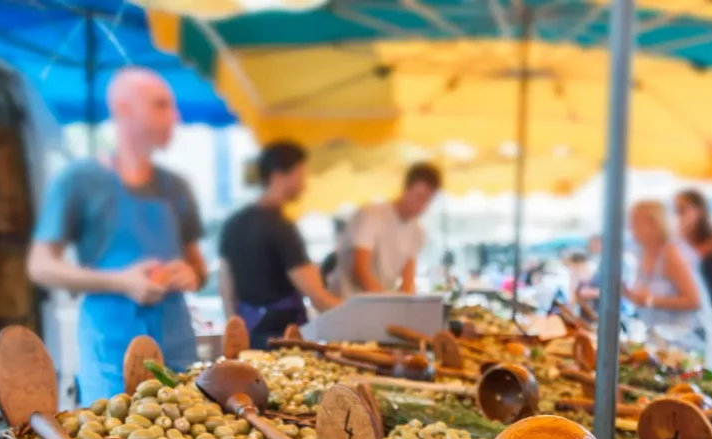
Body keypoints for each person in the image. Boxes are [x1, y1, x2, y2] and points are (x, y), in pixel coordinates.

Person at [27, 68, 204, 403]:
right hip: (110, 349)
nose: (175, 117)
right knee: (113, 431)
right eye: (161, 105)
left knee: (187, 427)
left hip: (176, 344)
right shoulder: (78, 181)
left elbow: (199, 268)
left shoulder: (176, 187)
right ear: (124, 109)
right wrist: (120, 281)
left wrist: (190, 273)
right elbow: (40, 265)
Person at [217, 142, 340, 350]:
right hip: (284, 341)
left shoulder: (233, 224)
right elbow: (316, 295)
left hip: (250, 336)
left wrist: (235, 337)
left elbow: (226, 286)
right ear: (277, 175)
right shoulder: (281, 227)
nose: (304, 185)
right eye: (299, 175)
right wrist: (355, 318)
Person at [336, 162, 442, 297]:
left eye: (428, 200)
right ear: (406, 189)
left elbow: (408, 282)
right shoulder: (373, 215)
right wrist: (386, 302)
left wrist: (404, 303)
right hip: (346, 300)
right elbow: (360, 270)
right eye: (419, 197)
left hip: (380, 301)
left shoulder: (418, 232)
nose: (422, 205)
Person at [624, 200, 703, 344]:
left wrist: (650, 301)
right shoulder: (641, 253)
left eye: (636, 222)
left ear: (655, 224)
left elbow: (694, 301)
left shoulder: (671, 255)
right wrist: (629, 294)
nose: (631, 227)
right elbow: (641, 298)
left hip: (679, 341)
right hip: (654, 338)